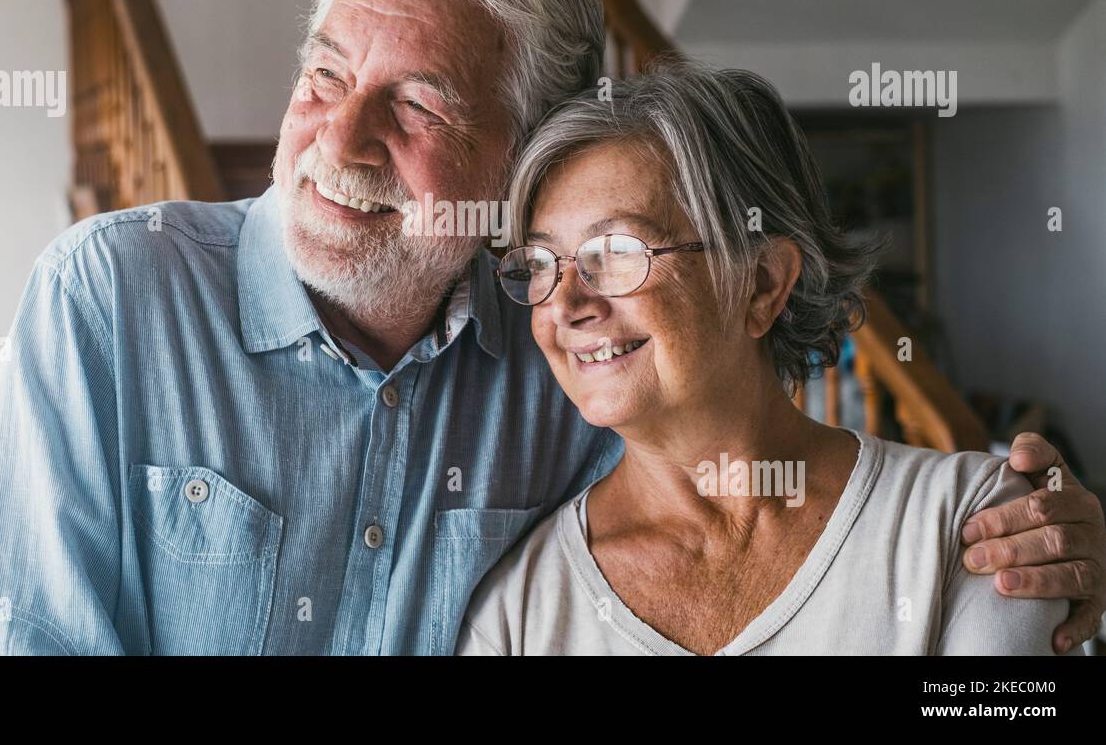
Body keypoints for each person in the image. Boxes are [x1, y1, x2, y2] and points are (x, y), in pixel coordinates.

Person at [0, 0, 1104, 655]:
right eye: (324, 75)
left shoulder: (567, 349)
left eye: (417, 104)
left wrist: (1055, 541)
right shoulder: (111, 300)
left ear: (518, 167)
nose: (336, 139)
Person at [458, 62, 1082, 654]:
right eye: (539, 264)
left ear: (761, 283)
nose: (565, 304)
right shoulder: (518, 611)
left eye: (617, 251)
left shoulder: (974, 524)